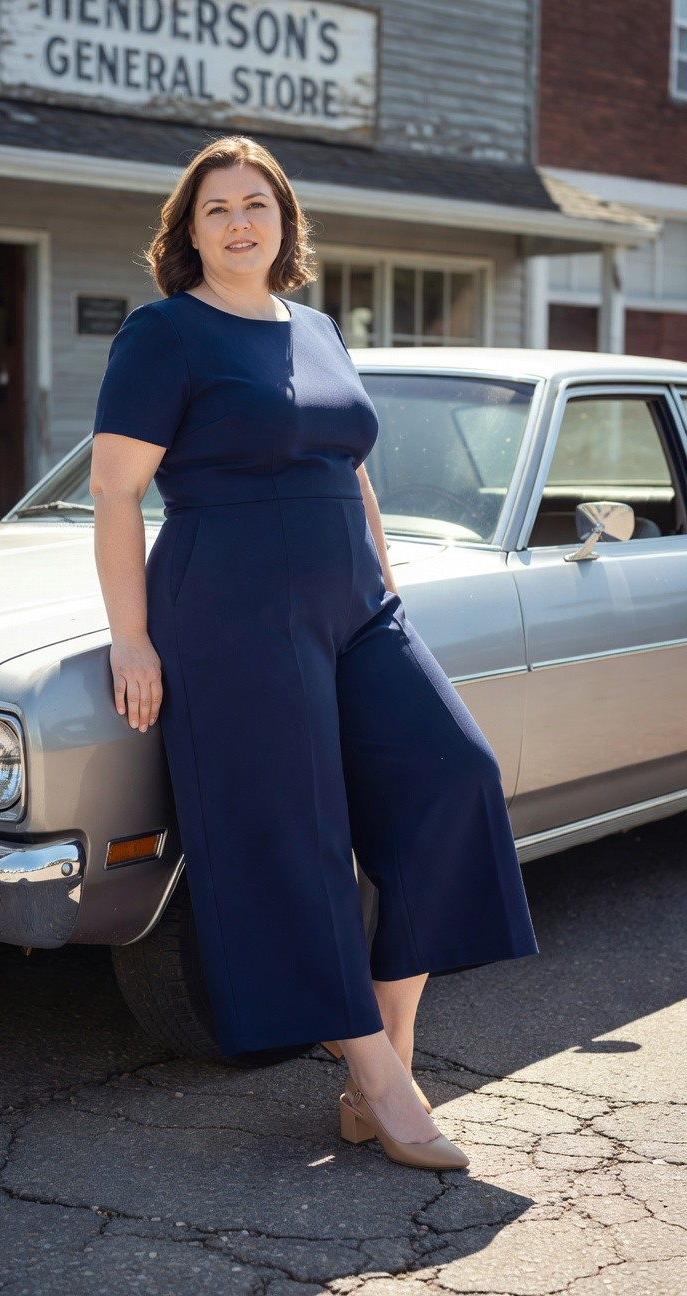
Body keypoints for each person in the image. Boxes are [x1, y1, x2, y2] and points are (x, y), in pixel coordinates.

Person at [90, 135, 537, 1171]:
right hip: (232, 610)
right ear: (188, 231)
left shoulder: (320, 329)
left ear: (285, 221)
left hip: (357, 605)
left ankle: (386, 1044)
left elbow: (353, 468)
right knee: (296, 835)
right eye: (216, 209)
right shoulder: (166, 333)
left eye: (257, 203)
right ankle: (380, 1083)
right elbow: (116, 492)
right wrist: (132, 637)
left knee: (453, 780)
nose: (239, 222)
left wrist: (386, 583)